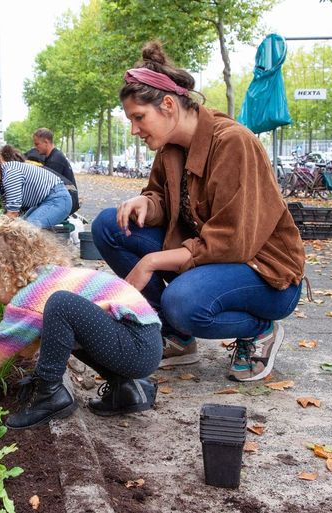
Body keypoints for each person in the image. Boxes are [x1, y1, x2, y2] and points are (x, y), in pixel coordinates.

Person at [91, 41, 306, 382]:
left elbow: (233, 243)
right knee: (108, 225)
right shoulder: (170, 147)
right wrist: (147, 203)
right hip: (211, 259)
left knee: (182, 303)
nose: (134, 130)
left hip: (263, 273)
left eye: (138, 118)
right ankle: (178, 337)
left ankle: (259, 330)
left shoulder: (233, 143)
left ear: (167, 105)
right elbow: (163, 196)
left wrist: (152, 261)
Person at [0, 217, 163, 429]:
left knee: (60, 303)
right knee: (63, 325)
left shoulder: (33, 294)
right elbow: (33, 339)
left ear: (8, 274)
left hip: (137, 346)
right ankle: (126, 390)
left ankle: (49, 394)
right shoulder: (50, 277)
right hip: (144, 342)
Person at [0, 144, 72, 229]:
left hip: (57, 199)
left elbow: (12, 213)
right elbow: (11, 211)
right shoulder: (2, 179)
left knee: (26, 231)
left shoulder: (10, 174)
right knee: (21, 228)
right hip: (46, 201)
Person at [0, 144, 80, 216]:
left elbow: (15, 209)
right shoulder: (25, 167)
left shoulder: (13, 173)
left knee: (30, 226)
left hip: (66, 196)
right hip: (66, 194)